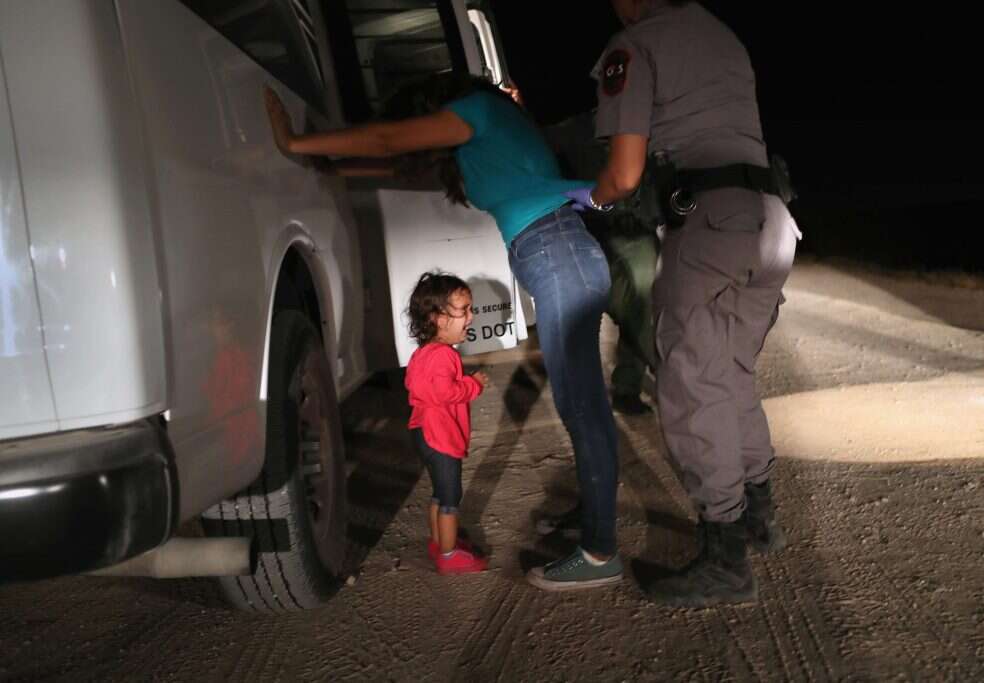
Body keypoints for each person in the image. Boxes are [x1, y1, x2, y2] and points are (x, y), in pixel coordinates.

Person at [265, 74, 623, 591]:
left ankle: (598, 550)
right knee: (580, 403)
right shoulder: (478, 145)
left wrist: (296, 143)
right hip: (551, 253)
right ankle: (596, 518)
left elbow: (390, 141)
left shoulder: (479, 109)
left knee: (582, 405)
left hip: (558, 250)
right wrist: (327, 162)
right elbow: (394, 160)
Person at [574, 0, 802, 607]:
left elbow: (624, 174)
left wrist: (585, 203)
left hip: (709, 219)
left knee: (691, 383)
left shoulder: (636, 43)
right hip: (774, 220)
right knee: (731, 371)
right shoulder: (721, 32)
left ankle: (725, 556)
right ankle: (759, 513)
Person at [543, 113, 659, 416]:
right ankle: (665, 374)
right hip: (591, 232)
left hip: (639, 231)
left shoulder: (645, 125)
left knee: (642, 308)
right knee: (600, 311)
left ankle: (628, 388)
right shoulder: (573, 130)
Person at [404, 272, 489, 574]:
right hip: (440, 436)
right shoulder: (444, 356)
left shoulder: (422, 354)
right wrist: (472, 384)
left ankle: (439, 542)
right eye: (464, 310)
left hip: (422, 432)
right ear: (439, 318)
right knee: (451, 497)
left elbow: (416, 388)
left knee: (439, 493)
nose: (471, 316)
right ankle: (449, 555)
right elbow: (444, 393)